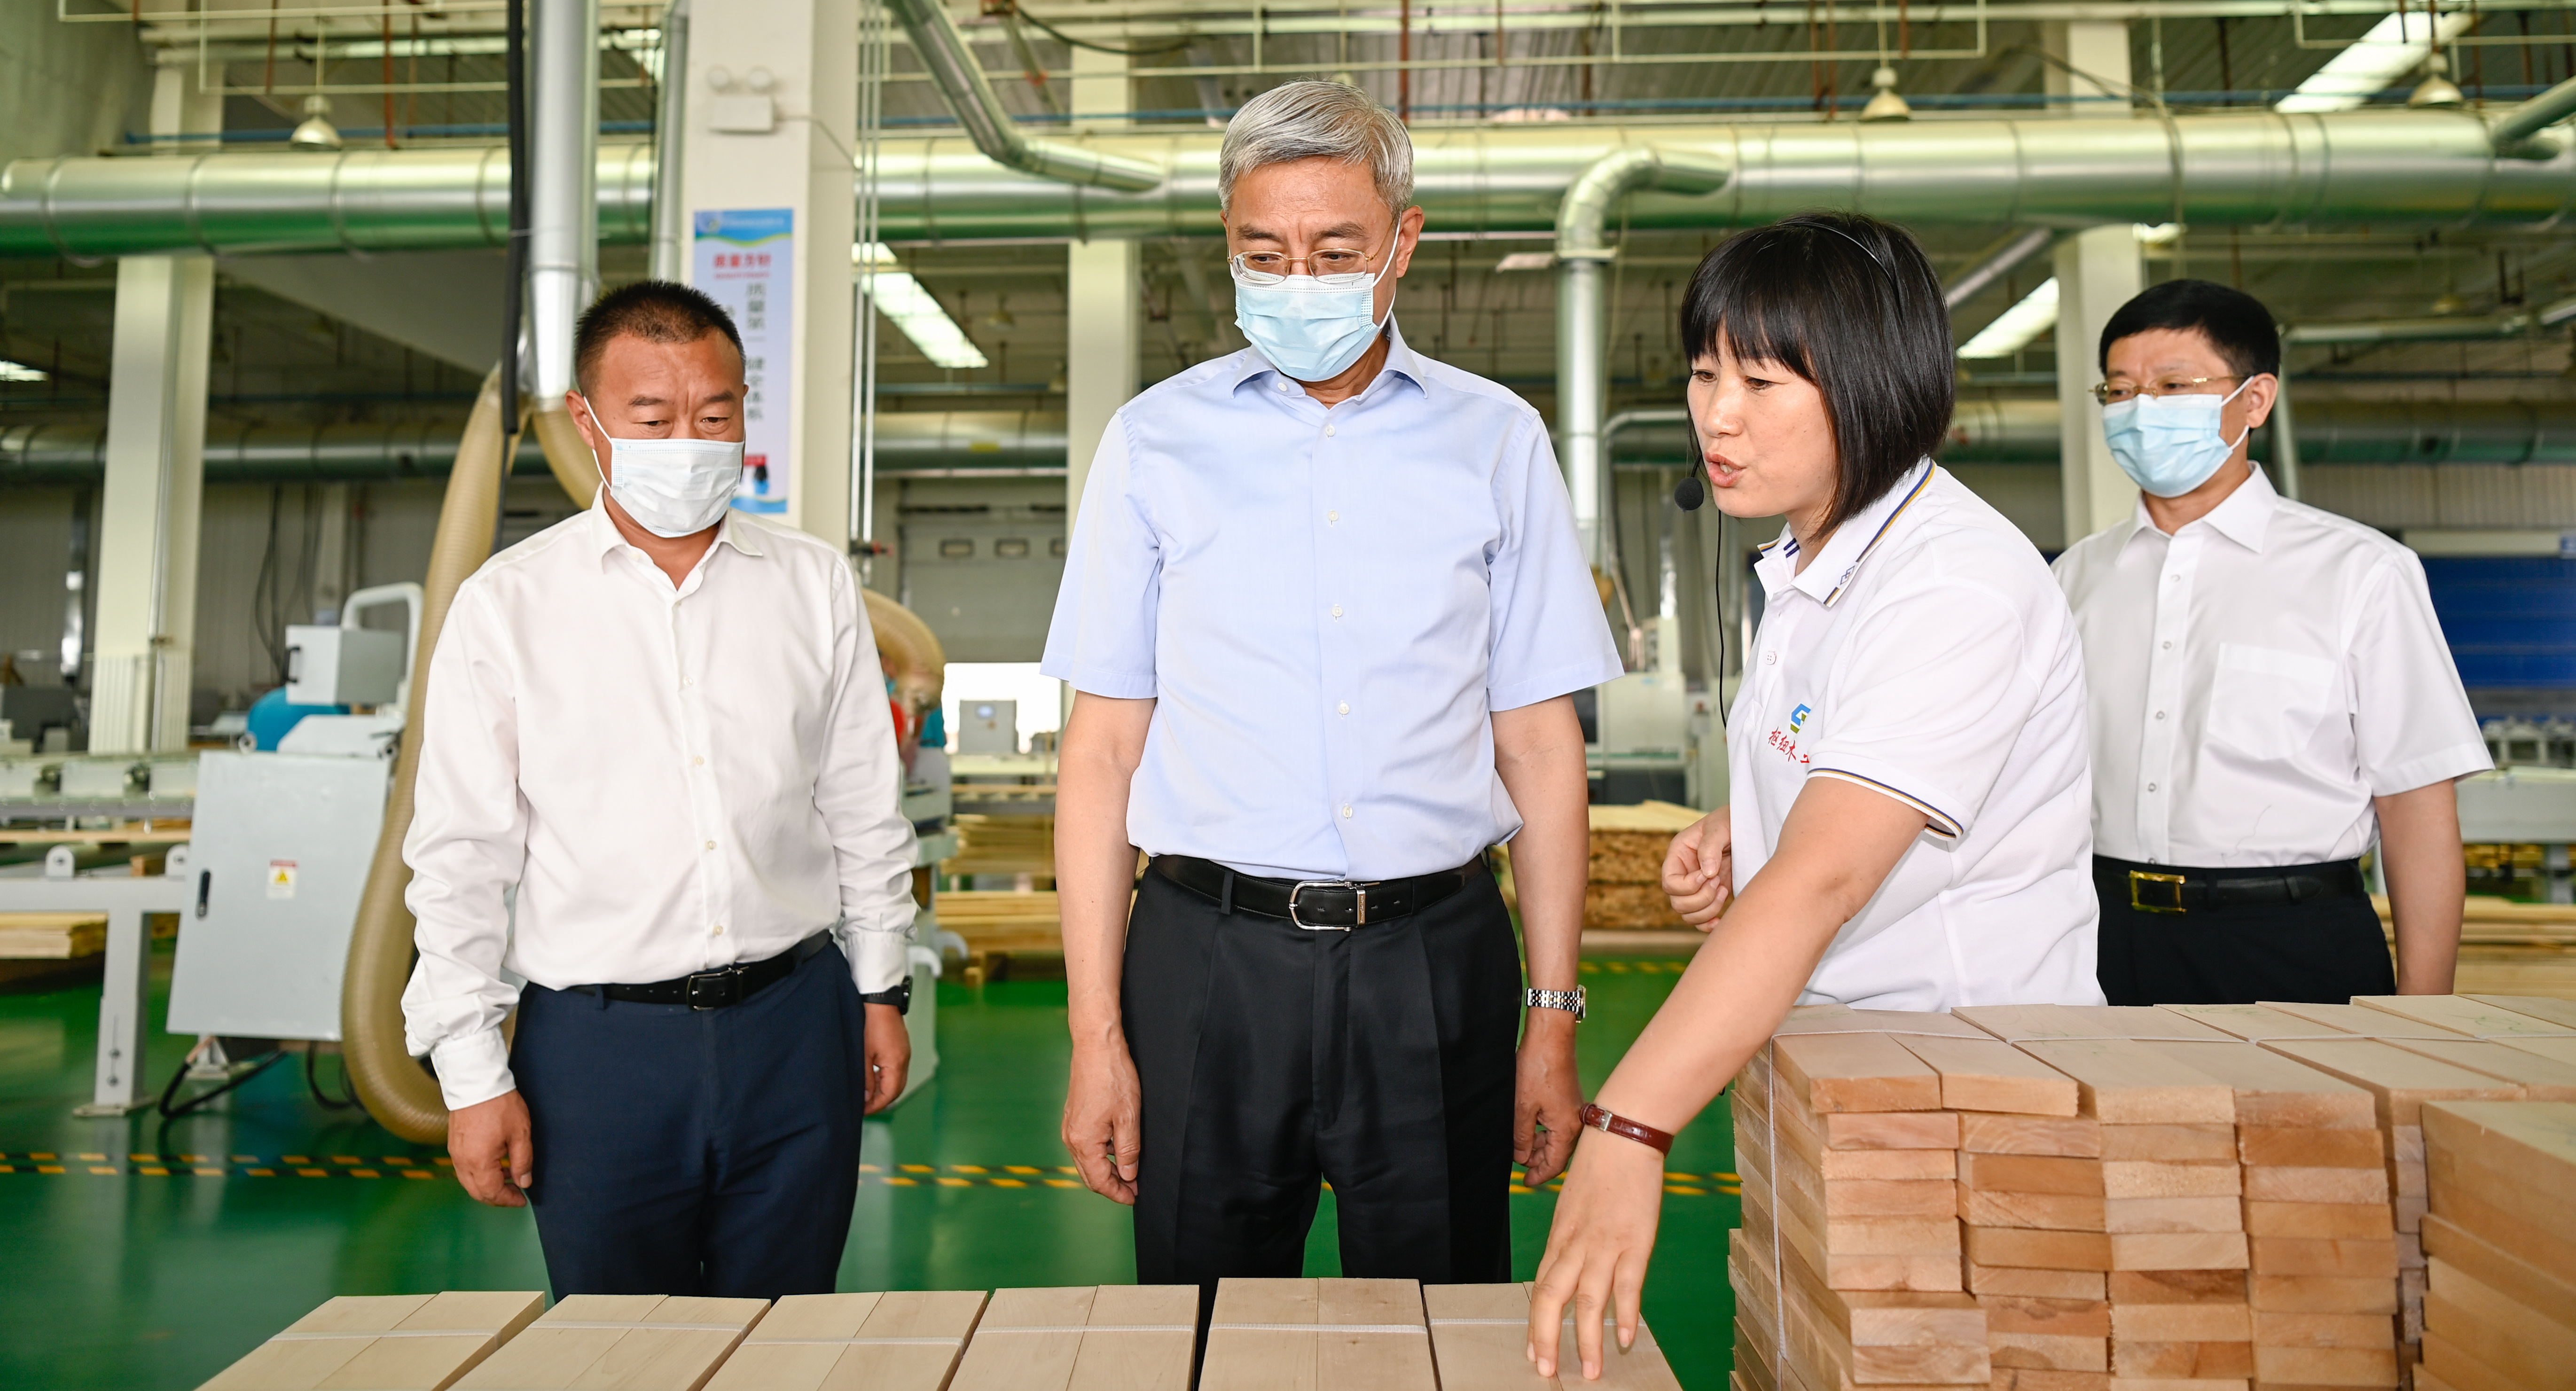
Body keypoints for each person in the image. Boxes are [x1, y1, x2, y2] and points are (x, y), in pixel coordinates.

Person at [1044, 79, 1621, 1297]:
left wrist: (1551, 1014)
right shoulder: (1153, 442)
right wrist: (1096, 1034)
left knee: (1437, 1317)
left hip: (1433, 959)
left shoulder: (1495, 439)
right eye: (1265, 254)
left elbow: (1538, 745)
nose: (1296, 281)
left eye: (1334, 251)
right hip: (1205, 956)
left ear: (1402, 241)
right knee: (1200, 1320)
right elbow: (1100, 753)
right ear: (1229, 244)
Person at [1528, 214, 2100, 1378]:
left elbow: (1827, 875)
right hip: (1849, 1064)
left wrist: (1628, 1125)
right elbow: (1845, 782)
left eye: (1759, 382)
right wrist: (1748, 822)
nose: (1715, 416)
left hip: (1964, 1081)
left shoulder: (1948, 581)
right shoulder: (1815, 563)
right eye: (1702, 375)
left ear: (1870, 385)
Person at [402, 281, 918, 1298]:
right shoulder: (508, 606)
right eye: (652, 418)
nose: (688, 442)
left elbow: (863, 806)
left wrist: (881, 990)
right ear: (586, 421)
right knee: (615, 1348)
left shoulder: (812, 584)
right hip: (597, 1049)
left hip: (795, 1023)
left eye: (714, 416)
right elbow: (460, 855)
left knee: (787, 1336)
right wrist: (471, 1074)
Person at [2052, 280, 2484, 1006]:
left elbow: (2415, 806)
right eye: (2120, 391)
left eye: (2173, 386)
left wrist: (2423, 1013)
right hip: (2102, 937)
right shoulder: (2073, 579)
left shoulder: (2359, 572)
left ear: (2253, 400)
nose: (2141, 411)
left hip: (2291, 942)